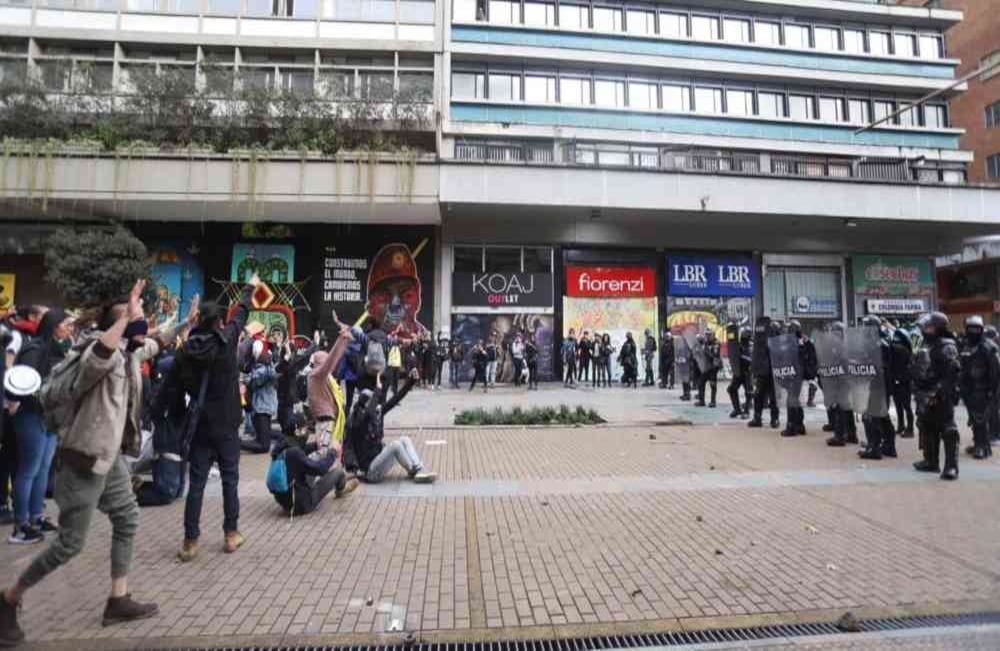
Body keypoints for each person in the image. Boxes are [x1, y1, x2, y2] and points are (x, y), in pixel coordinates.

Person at [0, 280, 193, 644]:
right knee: (69, 544)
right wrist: (125, 319)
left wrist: (185, 324)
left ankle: (118, 599)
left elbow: (154, 343)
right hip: (84, 459)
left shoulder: (128, 353)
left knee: (128, 516)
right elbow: (97, 359)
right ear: (118, 323)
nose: (141, 319)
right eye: (134, 315)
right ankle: (9, 598)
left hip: (110, 457)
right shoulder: (98, 351)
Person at [173, 275, 255, 562]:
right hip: (227, 424)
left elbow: (175, 387)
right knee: (229, 480)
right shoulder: (226, 342)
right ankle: (231, 534)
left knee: (196, 483)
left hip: (200, 424)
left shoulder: (186, 351)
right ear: (219, 322)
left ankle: (190, 541)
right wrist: (249, 288)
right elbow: (241, 314)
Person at [9, 308, 74, 544]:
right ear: (54, 326)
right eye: (67, 324)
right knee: (29, 469)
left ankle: (36, 517)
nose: (70, 329)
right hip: (32, 415)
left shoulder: (60, 349)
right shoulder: (35, 349)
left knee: (43, 468)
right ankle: (20, 526)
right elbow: (22, 381)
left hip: (50, 417)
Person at [346, 371, 436, 484]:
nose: (377, 405)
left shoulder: (376, 413)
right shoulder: (358, 421)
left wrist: (410, 382)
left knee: (404, 439)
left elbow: (394, 400)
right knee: (395, 445)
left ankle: (418, 468)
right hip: (371, 472)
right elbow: (368, 414)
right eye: (372, 401)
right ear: (365, 405)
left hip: (378, 461)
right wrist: (378, 389)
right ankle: (414, 470)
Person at [911, 312, 961, 480]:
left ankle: (951, 467)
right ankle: (931, 461)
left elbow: (951, 373)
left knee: (948, 429)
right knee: (927, 426)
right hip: (924, 392)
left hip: (940, 394)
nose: (925, 330)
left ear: (939, 328)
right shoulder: (924, 343)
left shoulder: (947, 346)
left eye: (929, 327)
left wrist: (939, 393)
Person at [134, 353, 187, 507]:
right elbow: (155, 412)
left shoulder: (178, 389)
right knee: (166, 493)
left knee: (175, 491)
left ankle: (135, 487)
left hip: (175, 442)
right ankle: (129, 496)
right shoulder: (165, 390)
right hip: (168, 442)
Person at [268, 438, 359, 516]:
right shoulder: (295, 454)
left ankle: (333, 480)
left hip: (285, 502)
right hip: (303, 504)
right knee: (338, 472)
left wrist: (315, 445)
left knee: (311, 465)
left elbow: (301, 453)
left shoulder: (279, 451)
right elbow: (320, 469)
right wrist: (333, 452)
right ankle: (340, 490)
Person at [959, 315, 998, 460]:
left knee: (980, 419)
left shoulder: (988, 347)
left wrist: (992, 391)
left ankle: (982, 447)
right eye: (971, 329)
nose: (973, 332)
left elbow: (995, 371)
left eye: (976, 329)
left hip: (982, 388)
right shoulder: (965, 345)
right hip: (968, 389)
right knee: (973, 419)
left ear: (981, 329)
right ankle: (978, 443)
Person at [858, 316, 896, 458]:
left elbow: (877, 367)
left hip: (877, 385)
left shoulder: (877, 344)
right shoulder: (881, 341)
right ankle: (888, 446)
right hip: (881, 385)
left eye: (866, 326)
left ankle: (874, 448)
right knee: (882, 416)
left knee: (870, 416)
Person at [240, 343, 278, 454]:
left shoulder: (263, 369)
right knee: (264, 445)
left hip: (264, 409)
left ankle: (238, 443)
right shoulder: (262, 370)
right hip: (260, 410)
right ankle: (236, 443)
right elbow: (254, 382)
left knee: (263, 441)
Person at [782, 320, 815, 436]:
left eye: (789, 328)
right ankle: (800, 425)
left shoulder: (796, 342)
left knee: (791, 399)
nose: (787, 330)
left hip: (795, 374)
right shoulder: (802, 340)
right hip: (797, 374)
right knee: (794, 399)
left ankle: (792, 427)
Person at [748, 320, 780, 429]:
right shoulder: (762, 341)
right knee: (759, 395)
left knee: (773, 398)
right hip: (763, 371)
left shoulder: (779, 342)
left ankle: (774, 419)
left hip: (773, 372)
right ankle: (758, 418)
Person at [890, 325, 914, 438]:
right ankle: (904, 426)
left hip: (902, 380)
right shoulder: (905, 350)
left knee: (903, 405)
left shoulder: (901, 350)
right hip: (902, 380)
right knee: (902, 405)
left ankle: (908, 428)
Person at [727, 328, 752, 419]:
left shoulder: (751, 346)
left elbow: (750, 359)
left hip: (747, 373)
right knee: (731, 389)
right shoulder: (738, 346)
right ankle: (737, 409)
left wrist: (741, 356)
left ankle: (746, 411)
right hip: (738, 372)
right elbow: (733, 355)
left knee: (749, 392)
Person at [695, 330, 721, 407]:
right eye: (707, 335)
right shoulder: (705, 343)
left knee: (713, 385)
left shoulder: (716, 344)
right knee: (700, 383)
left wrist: (705, 350)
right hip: (706, 367)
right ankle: (701, 401)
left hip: (713, 368)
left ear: (713, 335)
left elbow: (714, 355)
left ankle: (713, 401)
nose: (708, 336)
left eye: (709, 335)